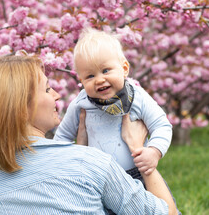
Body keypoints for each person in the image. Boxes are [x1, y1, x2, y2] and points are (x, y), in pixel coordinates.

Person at [0, 55, 177, 214]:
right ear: (20, 108)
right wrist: (140, 153)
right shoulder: (92, 163)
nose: (56, 95)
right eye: (47, 90)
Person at [54, 27, 173, 178]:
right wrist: (65, 164)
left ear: (124, 69)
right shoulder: (81, 103)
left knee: (160, 202)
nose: (99, 80)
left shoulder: (137, 96)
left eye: (105, 71)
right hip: (97, 176)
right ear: (81, 80)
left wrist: (154, 151)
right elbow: (62, 137)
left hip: (136, 174)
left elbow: (161, 125)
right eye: (90, 76)